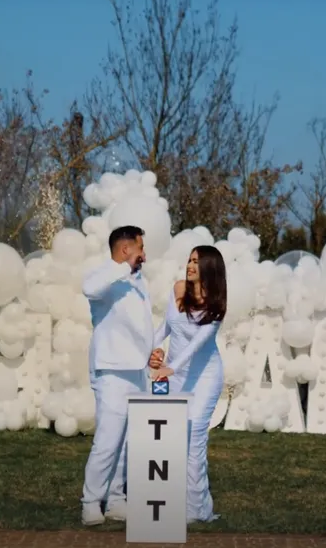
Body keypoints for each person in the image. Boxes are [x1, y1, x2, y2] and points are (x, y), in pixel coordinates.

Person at [81, 225, 154, 526]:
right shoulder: (104, 275)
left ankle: (115, 499)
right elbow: (89, 288)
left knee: (126, 442)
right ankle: (90, 502)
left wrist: (153, 351)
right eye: (140, 248)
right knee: (108, 440)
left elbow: (141, 325)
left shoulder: (138, 281)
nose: (144, 254)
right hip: (111, 370)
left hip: (137, 370)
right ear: (126, 250)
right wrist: (123, 268)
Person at [149, 245, 226, 523]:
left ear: (209, 268)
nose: (190, 265)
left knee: (194, 438)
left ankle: (196, 509)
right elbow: (167, 327)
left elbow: (197, 345)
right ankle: (174, 499)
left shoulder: (216, 304)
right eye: (190, 260)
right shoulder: (178, 289)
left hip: (204, 376)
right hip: (176, 375)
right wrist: (148, 350)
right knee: (173, 438)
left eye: (196, 261)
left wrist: (170, 367)